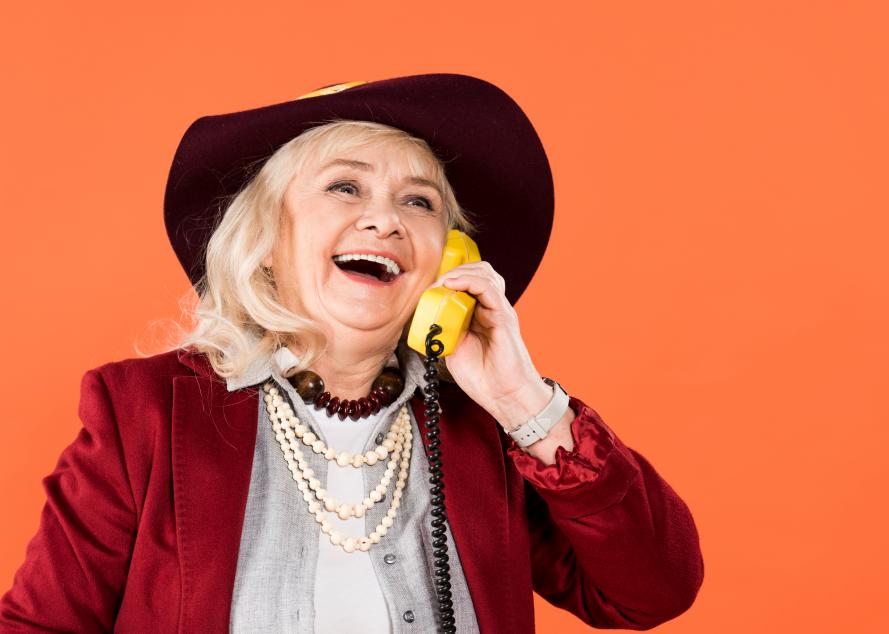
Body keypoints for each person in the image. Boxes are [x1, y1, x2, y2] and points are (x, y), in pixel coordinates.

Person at [0, 73, 704, 633]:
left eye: (420, 203)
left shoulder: (486, 428)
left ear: (449, 260)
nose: (385, 219)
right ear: (268, 241)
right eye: (345, 187)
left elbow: (651, 592)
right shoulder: (142, 413)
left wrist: (524, 401)